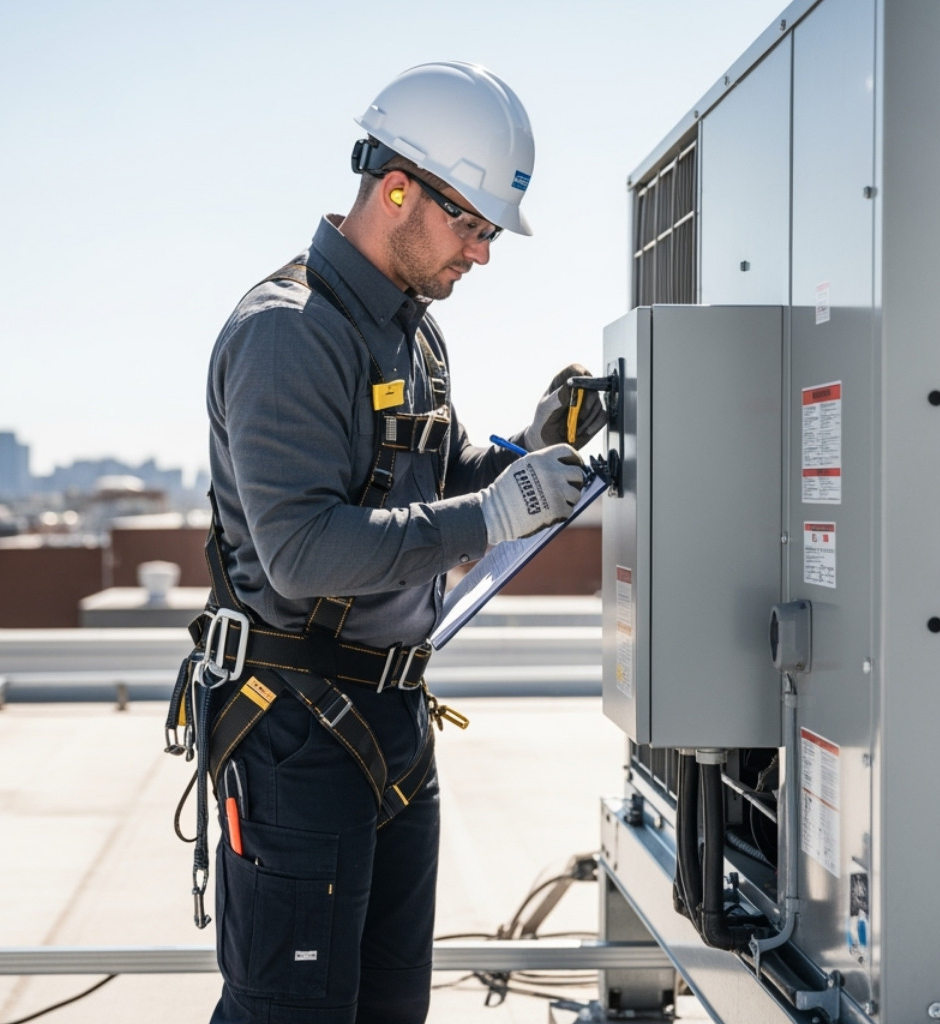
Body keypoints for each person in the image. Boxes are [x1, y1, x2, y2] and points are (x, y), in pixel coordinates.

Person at [198, 61, 607, 1024]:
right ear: (396, 189)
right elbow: (302, 551)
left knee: (389, 1012)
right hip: (297, 735)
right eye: (472, 226)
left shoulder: (411, 336)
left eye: (491, 233)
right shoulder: (288, 334)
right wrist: (496, 515)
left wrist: (525, 457)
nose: (483, 255)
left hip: (387, 728)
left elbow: (431, 469)